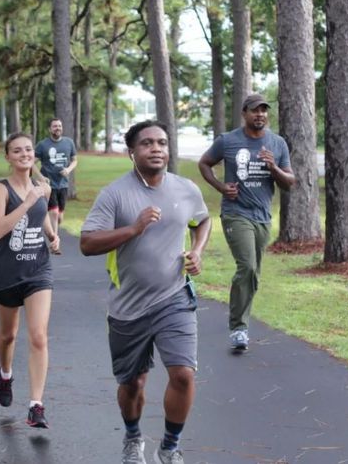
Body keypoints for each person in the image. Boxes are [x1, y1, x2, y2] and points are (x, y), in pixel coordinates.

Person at [80, 120, 211, 464]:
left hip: (174, 298)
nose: (156, 148)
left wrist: (197, 251)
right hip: (128, 307)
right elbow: (87, 243)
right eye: (147, 143)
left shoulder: (185, 189)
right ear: (132, 152)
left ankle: (169, 447)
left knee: (183, 374)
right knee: (133, 383)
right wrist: (133, 228)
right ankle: (133, 437)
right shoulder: (115, 194)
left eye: (162, 143)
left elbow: (203, 220)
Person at [198, 93, 295, 351]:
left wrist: (274, 168)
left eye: (264, 110)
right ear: (245, 114)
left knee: (254, 275)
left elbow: (290, 183)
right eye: (254, 110)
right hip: (235, 213)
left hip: (262, 217)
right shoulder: (228, 141)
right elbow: (205, 163)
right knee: (248, 267)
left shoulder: (277, 143)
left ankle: (241, 321)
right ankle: (239, 328)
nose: (260, 114)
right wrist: (221, 187)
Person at [0, 132, 60, 429]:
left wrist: (52, 234)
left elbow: (41, 214)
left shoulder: (43, 186)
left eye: (28, 149)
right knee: (8, 337)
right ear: (8, 157)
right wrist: (28, 200)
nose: (24, 154)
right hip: (7, 274)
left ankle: (36, 405)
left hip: (38, 271)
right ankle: (5, 374)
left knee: (39, 336)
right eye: (17, 151)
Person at [34, 118, 78, 238]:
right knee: (53, 211)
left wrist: (68, 170)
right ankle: (55, 239)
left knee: (59, 217)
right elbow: (31, 163)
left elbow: (75, 161)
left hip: (63, 184)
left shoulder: (69, 143)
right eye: (55, 126)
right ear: (50, 129)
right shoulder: (43, 145)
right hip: (49, 185)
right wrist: (41, 177)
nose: (57, 128)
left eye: (59, 126)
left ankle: (49, 226)